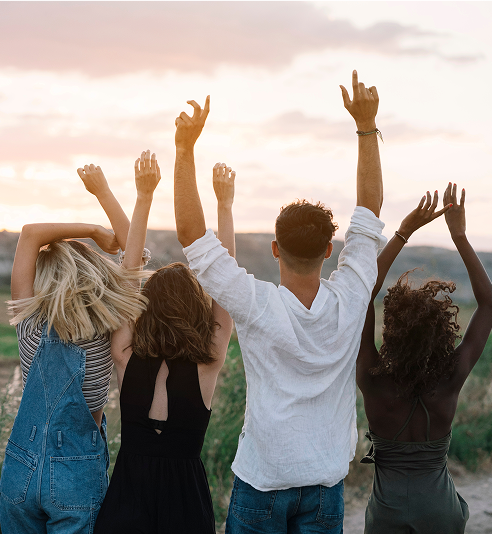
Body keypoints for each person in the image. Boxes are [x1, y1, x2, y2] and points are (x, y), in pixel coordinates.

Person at [173, 71, 387, 534]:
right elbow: (370, 213)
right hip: (327, 486)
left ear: (275, 249)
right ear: (330, 250)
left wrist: (185, 149)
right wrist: (366, 126)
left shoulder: (256, 303)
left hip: (263, 481)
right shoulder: (351, 296)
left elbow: (193, 237)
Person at [78, 152, 235, 533]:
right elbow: (227, 283)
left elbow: (128, 276)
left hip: (128, 499)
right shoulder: (208, 362)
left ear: (145, 310)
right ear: (197, 311)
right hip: (186, 504)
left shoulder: (124, 356)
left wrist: (143, 197)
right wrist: (224, 206)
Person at [0, 196, 147, 533]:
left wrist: (91, 231)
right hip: (77, 472)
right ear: (95, 276)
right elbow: (134, 250)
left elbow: (30, 234)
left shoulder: (27, 321)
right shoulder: (112, 331)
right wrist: (104, 208)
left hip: (21, 468)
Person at [357, 184, 492, 533]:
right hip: (440, 513)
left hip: (386, 516)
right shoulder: (450, 379)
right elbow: (489, 304)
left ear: (391, 331)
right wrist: (460, 236)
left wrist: (403, 232)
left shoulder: (373, 380)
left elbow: (362, 293)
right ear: (443, 332)